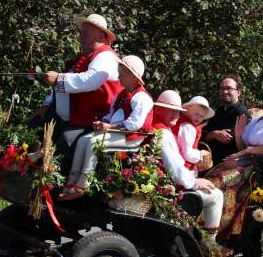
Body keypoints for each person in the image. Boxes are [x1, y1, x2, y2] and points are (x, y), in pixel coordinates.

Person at [29, 13, 123, 174]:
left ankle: (54, 192)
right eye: (81, 31)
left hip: (91, 123)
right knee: (31, 129)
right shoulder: (83, 58)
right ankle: (22, 178)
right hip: (70, 119)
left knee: (65, 143)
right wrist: (46, 104)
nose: (80, 35)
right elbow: (63, 84)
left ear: (101, 35)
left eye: (86, 32)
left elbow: (88, 81)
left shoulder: (106, 57)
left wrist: (58, 78)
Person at [206, 85, 263, 246]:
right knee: (210, 178)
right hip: (245, 161)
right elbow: (242, 147)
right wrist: (238, 134)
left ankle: (219, 236)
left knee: (222, 182)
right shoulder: (260, 121)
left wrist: (245, 153)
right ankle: (203, 229)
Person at [58, 55, 153, 201]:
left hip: (132, 137)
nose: (119, 73)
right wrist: (102, 122)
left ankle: (83, 185)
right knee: (83, 140)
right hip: (118, 132)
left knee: (93, 142)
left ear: (134, 78)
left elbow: (135, 124)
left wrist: (110, 126)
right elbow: (111, 114)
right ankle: (72, 181)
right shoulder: (121, 94)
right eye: (120, 69)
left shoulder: (141, 97)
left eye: (124, 71)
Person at [152, 90, 231, 257]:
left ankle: (184, 244)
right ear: (160, 109)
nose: (176, 115)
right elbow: (176, 169)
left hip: (164, 181)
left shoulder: (157, 127)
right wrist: (195, 182)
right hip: (170, 187)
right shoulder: (164, 133)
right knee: (216, 195)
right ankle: (209, 245)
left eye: (177, 111)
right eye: (170, 110)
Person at [201, 74, 251, 165]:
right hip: (207, 159)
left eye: (229, 88)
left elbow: (228, 139)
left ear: (238, 92)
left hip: (225, 163)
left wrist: (213, 134)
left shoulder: (242, 114)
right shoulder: (219, 111)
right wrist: (213, 134)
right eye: (222, 88)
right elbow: (203, 133)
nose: (224, 91)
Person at [171, 96, 215, 174]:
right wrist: (200, 155)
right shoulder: (188, 127)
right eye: (196, 113)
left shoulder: (181, 122)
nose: (198, 117)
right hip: (183, 167)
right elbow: (188, 153)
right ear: (187, 110)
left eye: (202, 116)